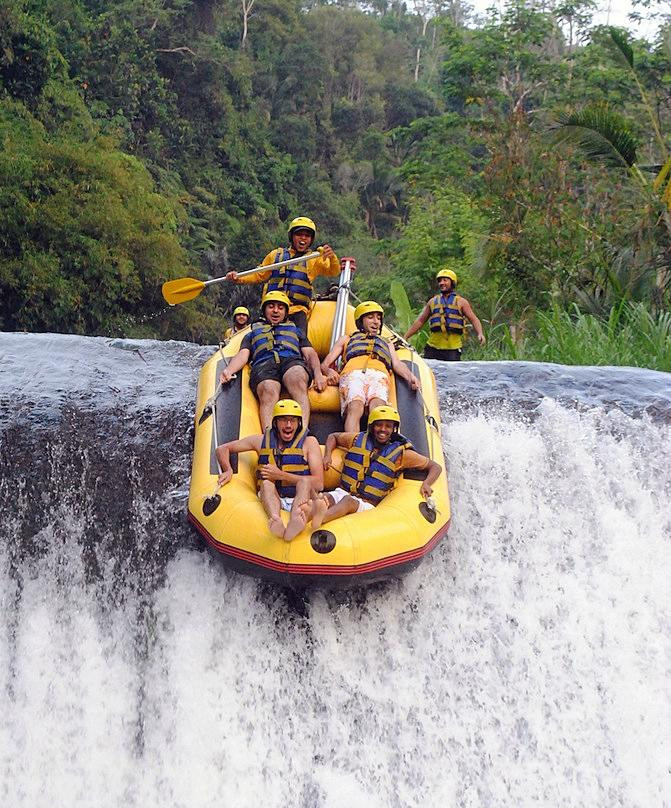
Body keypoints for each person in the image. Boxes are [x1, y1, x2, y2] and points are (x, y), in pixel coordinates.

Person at [302, 405, 442, 529]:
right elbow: (333, 437)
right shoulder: (357, 439)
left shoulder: (402, 454)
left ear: (394, 429)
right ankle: (303, 521)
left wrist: (427, 483)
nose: (383, 429)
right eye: (378, 425)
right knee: (325, 498)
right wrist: (327, 455)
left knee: (347, 502)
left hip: (367, 504)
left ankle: (321, 518)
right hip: (343, 491)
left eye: (388, 426)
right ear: (371, 426)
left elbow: (435, 466)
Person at [215, 399, 323, 541]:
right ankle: (275, 519)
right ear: (275, 423)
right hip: (274, 498)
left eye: (293, 420)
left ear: (299, 423)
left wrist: (281, 475)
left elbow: (319, 483)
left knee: (304, 483)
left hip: (300, 497)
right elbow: (222, 449)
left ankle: (295, 521)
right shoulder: (260, 441)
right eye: (283, 420)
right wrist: (228, 470)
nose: (288, 425)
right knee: (266, 484)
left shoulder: (309, 443)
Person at [219, 291, 326, 429]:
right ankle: (269, 436)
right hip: (264, 364)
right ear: (264, 310)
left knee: (297, 376)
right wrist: (229, 370)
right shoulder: (252, 333)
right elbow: (243, 355)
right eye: (271, 307)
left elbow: (310, 354)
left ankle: (302, 430)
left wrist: (318, 374)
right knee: (268, 388)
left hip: (291, 361)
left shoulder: (296, 331)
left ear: (285, 312)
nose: (275, 311)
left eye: (280, 308)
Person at [224, 216, 344, 334]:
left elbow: (333, 271)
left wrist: (332, 257)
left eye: (307, 236)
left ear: (311, 239)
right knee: (257, 337)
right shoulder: (275, 255)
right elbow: (259, 274)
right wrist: (238, 277)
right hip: (273, 308)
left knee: (301, 340)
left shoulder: (314, 259)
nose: (303, 238)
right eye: (299, 234)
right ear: (291, 236)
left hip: (296, 310)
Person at [319, 301, 420, 432]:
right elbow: (324, 365)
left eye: (378, 318)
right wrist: (329, 372)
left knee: (378, 408)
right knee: (355, 407)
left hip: (379, 375)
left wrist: (411, 377)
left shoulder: (386, 342)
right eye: (370, 317)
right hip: (353, 374)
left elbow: (396, 364)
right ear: (361, 321)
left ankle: (374, 442)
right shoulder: (346, 339)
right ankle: (353, 441)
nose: (376, 322)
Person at [404, 268, 486, 361]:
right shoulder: (432, 301)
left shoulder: (461, 302)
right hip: (432, 347)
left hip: (453, 349)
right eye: (440, 281)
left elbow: (474, 319)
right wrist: (406, 336)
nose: (441, 283)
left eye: (445, 280)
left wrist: (480, 333)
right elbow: (420, 321)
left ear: (452, 282)